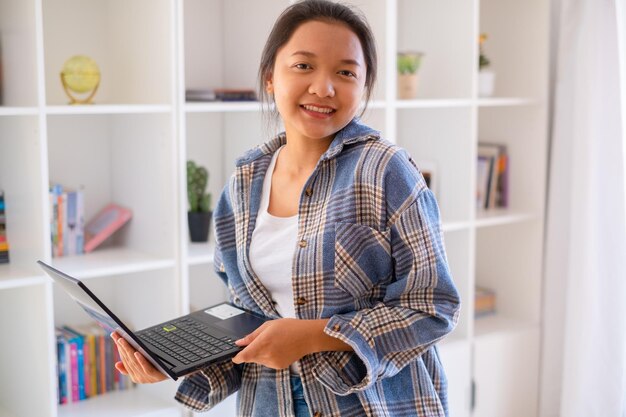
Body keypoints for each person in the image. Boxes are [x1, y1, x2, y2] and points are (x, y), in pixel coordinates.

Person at [111, 1, 461, 416]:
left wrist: (314, 335)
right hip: (268, 404)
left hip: (371, 405)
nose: (324, 87)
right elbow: (246, 321)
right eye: (303, 66)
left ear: (364, 87)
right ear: (270, 78)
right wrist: (171, 363)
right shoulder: (243, 183)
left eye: (346, 72)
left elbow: (434, 307)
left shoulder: (385, 170)